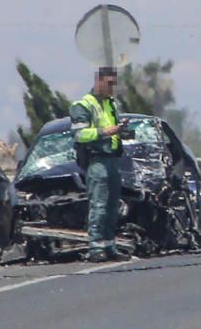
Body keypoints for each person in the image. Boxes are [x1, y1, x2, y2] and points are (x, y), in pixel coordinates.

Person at [70, 66, 131, 263]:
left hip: (112, 160)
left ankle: (109, 245)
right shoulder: (83, 105)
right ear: (99, 81)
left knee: (113, 205)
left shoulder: (109, 104)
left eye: (114, 83)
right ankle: (96, 247)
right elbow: (80, 134)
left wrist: (121, 131)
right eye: (109, 83)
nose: (112, 87)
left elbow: (113, 130)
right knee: (99, 205)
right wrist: (106, 131)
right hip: (97, 161)